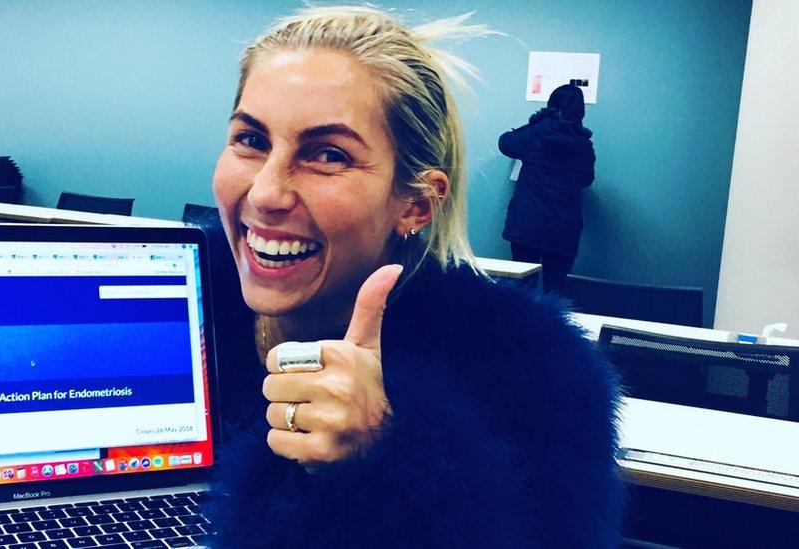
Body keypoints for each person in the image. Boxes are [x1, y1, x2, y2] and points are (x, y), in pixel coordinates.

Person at [198, 6, 621, 547]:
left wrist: (379, 461)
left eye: (328, 155)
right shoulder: (180, 301)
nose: (265, 194)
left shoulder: (533, 378)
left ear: (417, 204)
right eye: (251, 140)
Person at [500, 84, 595, 295]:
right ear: (580, 112)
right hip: (563, 229)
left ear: (551, 106)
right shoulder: (584, 145)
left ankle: (521, 329)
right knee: (555, 293)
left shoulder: (536, 134)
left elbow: (505, 143)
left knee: (523, 291)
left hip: (528, 224)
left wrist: (538, 123)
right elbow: (587, 180)